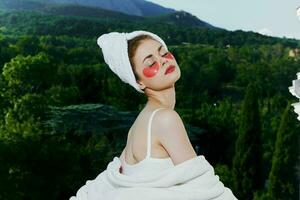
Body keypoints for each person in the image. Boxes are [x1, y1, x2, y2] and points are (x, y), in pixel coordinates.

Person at [69, 30, 238, 200]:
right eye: (151, 64)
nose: (163, 60)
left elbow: (108, 186)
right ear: (139, 82)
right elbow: (204, 188)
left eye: (163, 52)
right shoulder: (165, 119)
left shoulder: (138, 125)